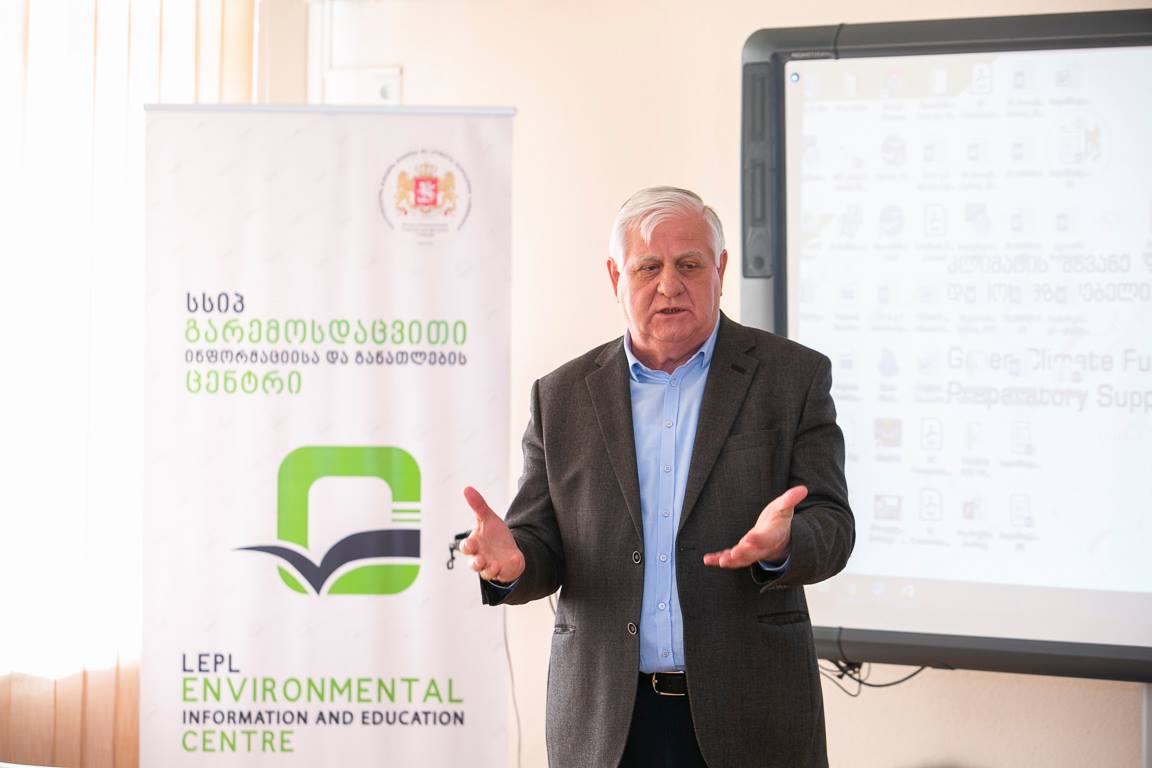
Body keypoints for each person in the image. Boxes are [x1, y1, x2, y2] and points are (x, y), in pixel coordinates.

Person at [460, 186, 854, 768]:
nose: (669, 285)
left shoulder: (792, 377)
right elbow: (541, 542)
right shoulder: (562, 396)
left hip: (752, 713)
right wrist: (515, 562)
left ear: (720, 270)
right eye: (648, 267)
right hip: (606, 723)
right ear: (615, 277)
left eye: (689, 265)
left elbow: (833, 524)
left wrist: (787, 542)